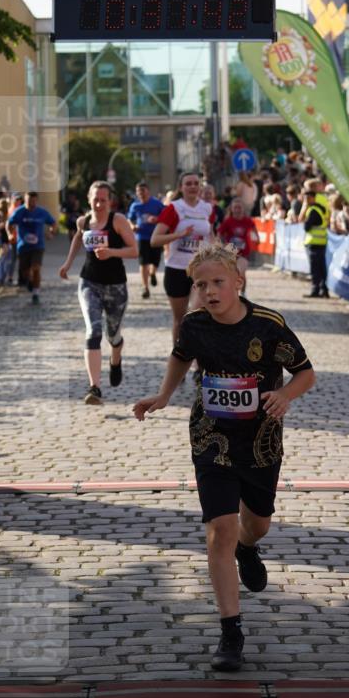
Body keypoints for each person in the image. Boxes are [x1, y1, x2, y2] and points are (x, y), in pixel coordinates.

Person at [133, 241, 315, 671]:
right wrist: (163, 395)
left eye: (218, 282)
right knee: (219, 529)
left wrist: (285, 395)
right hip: (210, 437)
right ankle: (230, 632)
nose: (209, 291)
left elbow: (305, 373)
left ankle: (249, 549)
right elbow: (180, 358)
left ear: (238, 281)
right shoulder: (195, 324)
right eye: (200, 285)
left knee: (257, 523)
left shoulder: (269, 326)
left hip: (261, 442)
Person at [59, 180, 138, 404]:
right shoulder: (83, 221)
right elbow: (77, 238)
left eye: (103, 200)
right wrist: (67, 264)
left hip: (115, 285)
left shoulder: (118, 221)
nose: (99, 203)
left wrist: (111, 252)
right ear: (88, 199)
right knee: (93, 331)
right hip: (89, 282)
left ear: (109, 201)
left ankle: (116, 359)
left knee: (113, 335)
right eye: (95, 199)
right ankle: (94, 387)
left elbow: (134, 250)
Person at [151, 172, 216, 345]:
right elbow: (155, 240)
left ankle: (199, 364)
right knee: (180, 321)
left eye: (196, 183)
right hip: (176, 270)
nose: (193, 186)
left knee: (197, 314)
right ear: (181, 187)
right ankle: (178, 362)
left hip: (201, 271)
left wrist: (220, 253)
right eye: (188, 183)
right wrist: (180, 234)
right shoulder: (173, 209)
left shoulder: (207, 208)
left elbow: (210, 235)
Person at [7, 191, 56, 305]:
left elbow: (53, 223)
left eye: (33, 201)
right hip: (23, 246)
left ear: (36, 200)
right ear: (25, 200)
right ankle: (29, 282)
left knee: (36, 268)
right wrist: (10, 234)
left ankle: (36, 293)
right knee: (25, 272)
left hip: (38, 246)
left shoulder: (42, 212)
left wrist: (51, 232)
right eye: (29, 201)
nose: (31, 203)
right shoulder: (19, 212)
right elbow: (9, 223)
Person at [127, 181, 164, 299]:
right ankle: (145, 287)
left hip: (156, 237)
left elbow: (166, 216)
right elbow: (129, 219)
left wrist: (157, 219)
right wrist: (132, 226)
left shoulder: (157, 204)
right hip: (141, 237)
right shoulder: (135, 205)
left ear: (148, 191)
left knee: (155, 261)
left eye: (143, 191)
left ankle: (152, 273)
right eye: (138, 191)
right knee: (143, 263)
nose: (141, 193)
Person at [218, 197, 258, 292]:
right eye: (235, 207)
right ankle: (232, 294)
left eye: (239, 207)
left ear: (243, 209)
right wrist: (223, 244)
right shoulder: (228, 221)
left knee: (241, 272)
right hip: (230, 253)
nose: (237, 210)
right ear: (231, 209)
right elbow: (219, 234)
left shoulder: (247, 220)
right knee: (231, 274)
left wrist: (257, 238)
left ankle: (243, 294)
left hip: (243, 253)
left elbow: (254, 228)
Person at [302, 179, 329, 298]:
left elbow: (306, 226)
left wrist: (305, 208)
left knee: (315, 269)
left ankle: (315, 290)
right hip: (322, 241)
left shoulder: (313, 209)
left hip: (313, 242)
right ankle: (324, 289)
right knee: (322, 268)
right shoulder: (322, 205)